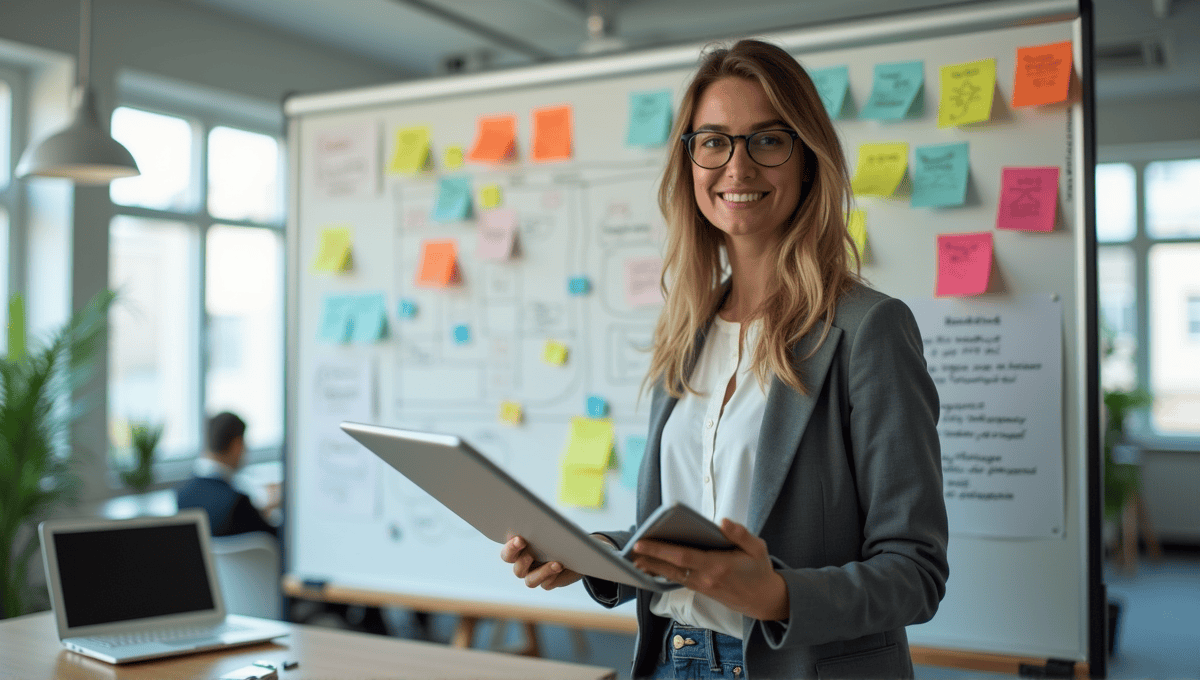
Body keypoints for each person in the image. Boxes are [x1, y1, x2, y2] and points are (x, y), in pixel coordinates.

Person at [501, 39, 949, 679]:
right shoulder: (686, 330)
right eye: (713, 141)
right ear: (689, 163)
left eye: (767, 140)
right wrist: (601, 555)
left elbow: (916, 573)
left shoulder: (868, 330)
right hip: (672, 660)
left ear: (807, 162)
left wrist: (772, 594)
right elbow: (690, 542)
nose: (736, 167)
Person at [176, 411, 279, 537]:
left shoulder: (182, 494)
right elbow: (277, 537)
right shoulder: (237, 502)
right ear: (237, 445)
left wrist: (262, 511)